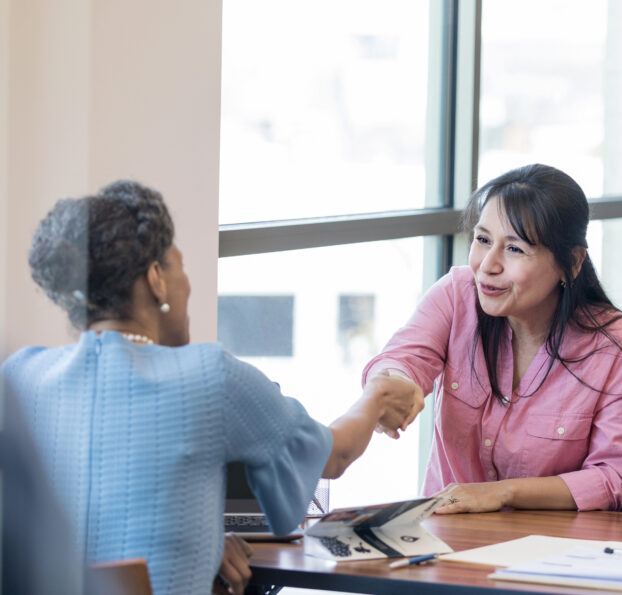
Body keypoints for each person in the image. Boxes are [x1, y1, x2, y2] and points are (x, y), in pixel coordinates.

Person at [2, 180, 423, 595]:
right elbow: (334, 455)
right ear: (156, 279)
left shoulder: (19, 375)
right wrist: (377, 397)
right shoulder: (209, 375)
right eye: (180, 264)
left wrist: (202, 540)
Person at [361, 164, 622, 514]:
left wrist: (504, 493)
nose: (488, 264)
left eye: (515, 249)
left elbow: (619, 480)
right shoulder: (458, 295)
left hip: (557, 553)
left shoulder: (619, 346)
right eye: (483, 240)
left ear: (573, 262)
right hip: (447, 543)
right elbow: (403, 360)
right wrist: (392, 386)